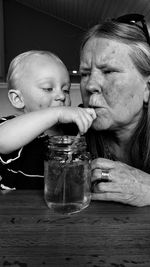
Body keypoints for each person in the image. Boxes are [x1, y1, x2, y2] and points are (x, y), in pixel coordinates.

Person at [79, 14, 150, 206]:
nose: (90, 85)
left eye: (108, 71)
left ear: (147, 88)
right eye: (85, 73)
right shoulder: (69, 131)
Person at [0, 50, 96, 190]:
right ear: (18, 99)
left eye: (66, 90)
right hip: (18, 208)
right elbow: (2, 141)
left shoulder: (72, 131)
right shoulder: (11, 127)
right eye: (48, 88)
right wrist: (57, 113)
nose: (61, 96)